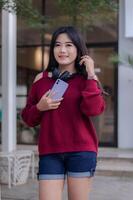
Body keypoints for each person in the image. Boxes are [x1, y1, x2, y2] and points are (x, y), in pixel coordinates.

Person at [21, 26, 105, 200]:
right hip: (50, 152)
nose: (63, 50)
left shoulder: (87, 80)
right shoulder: (41, 79)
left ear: (78, 49)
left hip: (81, 151)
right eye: (58, 45)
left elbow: (94, 110)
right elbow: (28, 118)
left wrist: (90, 74)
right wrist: (40, 107)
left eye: (69, 45)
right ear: (52, 49)